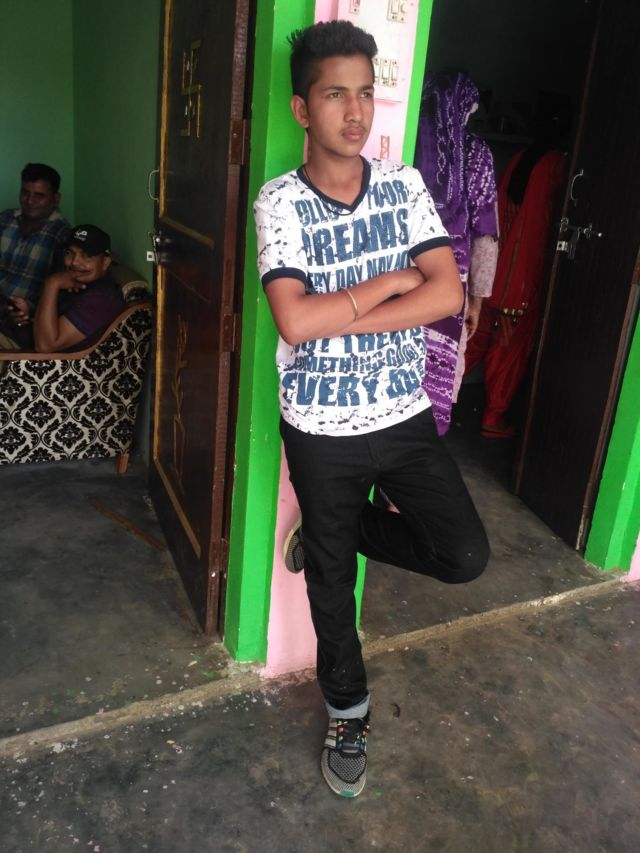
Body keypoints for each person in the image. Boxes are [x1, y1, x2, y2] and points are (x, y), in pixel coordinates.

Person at [254, 20, 489, 798]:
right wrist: (389, 285)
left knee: (463, 553)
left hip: (401, 413)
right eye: (335, 95)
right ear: (302, 108)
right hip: (319, 427)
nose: (355, 113)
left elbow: (446, 293)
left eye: (365, 93)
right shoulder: (279, 202)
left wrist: (343, 309)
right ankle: (348, 710)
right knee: (331, 590)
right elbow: (294, 321)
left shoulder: (404, 184)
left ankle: (336, 529)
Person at [464, 120, 567, 437]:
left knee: (472, 343)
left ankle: (431, 402)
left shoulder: (521, 158)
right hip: (522, 279)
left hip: (491, 275)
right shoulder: (556, 165)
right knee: (508, 352)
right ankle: (493, 417)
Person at [414, 71, 499, 434]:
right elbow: (485, 235)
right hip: (452, 278)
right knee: (441, 363)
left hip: (403, 274)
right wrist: (476, 301)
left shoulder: (410, 141)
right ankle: (428, 436)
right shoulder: (477, 153)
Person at [0, 224, 125, 353]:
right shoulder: (76, 281)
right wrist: (30, 311)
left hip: (14, 352)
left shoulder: (101, 299)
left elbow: (45, 346)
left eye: (87, 255)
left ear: (105, 262)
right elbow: (53, 320)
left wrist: (51, 284)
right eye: (70, 253)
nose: (74, 262)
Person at [0, 163, 71, 321]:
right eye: (25, 193)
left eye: (39, 195)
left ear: (56, 199)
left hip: (22, 317)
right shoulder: (5, 219)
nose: (30, 201)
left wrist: (31, 308)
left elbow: (62, 290)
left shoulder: (62, 235)